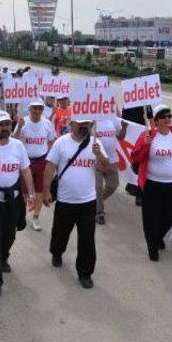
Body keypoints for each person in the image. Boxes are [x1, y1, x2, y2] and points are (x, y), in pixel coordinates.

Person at [43, 118, 109, 289]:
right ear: (72, 123)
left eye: (87, 123)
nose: (84, 126)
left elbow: (105, 167)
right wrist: (46, 190)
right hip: (65, 201)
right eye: (80, 123)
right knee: (60, 233)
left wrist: (99, 155)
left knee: (87, 239)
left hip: (88, 201)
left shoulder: (96, 143)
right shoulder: (61, 143)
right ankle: (57, 252)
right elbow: (50, 166)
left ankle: (85, 273)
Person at [0, 110, 36, 298]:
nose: (5, 128)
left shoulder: (18, 146)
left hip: (14, 200)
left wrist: (32, 193)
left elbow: (25, 170)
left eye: (7, 124)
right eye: (1, 125)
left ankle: (3, 257)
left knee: (10, 234)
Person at [131, 104, 172, 262]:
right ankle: (152, 246)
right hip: (152, 185)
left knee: (171, 213)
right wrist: (145, 146)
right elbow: (135, 157)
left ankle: (158, 236)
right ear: (156, 120)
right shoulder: (147, 135)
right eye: (164, 116)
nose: (168, 119)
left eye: (169, 116)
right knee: (151, 217)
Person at [13, 99, 57, 231]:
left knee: (40, 192)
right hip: (25, 163)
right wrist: (19, 127)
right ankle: (21, 214)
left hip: (41, 162)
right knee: (24, 192)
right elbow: (14, 140)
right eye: (34, 108)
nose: (37, 111)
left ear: (42, 110)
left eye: (40, 108)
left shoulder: (47, 124)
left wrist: (49, 159)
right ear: (30, 109)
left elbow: (51, 141)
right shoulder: (23, 122)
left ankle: (36, 218)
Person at [93, 118, 127, 225]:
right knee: (97, 188)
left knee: (113, 185)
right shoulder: (92, 120)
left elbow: (120, 136)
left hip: (112, 159)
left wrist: (124, 127)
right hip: (96, 159)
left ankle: (95, 202)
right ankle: (99, 213)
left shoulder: (113, 119)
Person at [122, 105, 153, 206]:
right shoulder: (129, 102)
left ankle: (134, 187)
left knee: (142, 161)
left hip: (142, 132)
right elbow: (124, 117)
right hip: (132, 133)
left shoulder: (146, 103)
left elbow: (150, 117)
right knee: (136, 161)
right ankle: (133, 186)